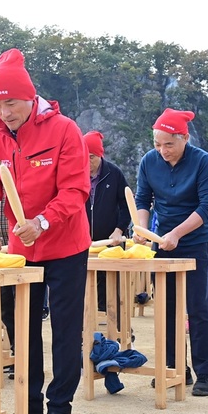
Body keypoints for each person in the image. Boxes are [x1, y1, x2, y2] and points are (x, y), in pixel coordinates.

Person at [0, 48, 90, 414]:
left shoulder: (64, 130)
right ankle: (30, 406)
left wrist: (42, 221)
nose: (4, 113)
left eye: (11, 103)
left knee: (65, 326)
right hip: (21, 249)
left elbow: (75, 190)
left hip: (66, 242)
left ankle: (61, 407)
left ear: (30, 97)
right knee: (20, 326)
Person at [133, 108, 208, 396]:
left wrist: (178, 233)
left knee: (198, 307)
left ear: (184, 138)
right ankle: (174, 367)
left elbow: (207, 207)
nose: (162, 151)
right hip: (162, 240)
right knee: (167, 307)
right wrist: (143, 231)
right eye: (158, 144)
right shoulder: (149, 161)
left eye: (169, 144)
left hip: (195, 241)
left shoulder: (202, 160)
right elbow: (143, 199)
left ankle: (206, 372)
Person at [83, 130, 131, 315]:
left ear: (100, 155)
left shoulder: (114, 174)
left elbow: (127, 205)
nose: (88, 162)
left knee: (111, 289)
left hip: (111, 241)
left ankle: (114, 329)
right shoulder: (75, 172)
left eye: (92, 157)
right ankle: (85, 331)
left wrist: (119, 229)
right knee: (82, 287)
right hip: (84, 241)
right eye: (84, 157)